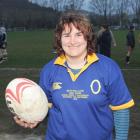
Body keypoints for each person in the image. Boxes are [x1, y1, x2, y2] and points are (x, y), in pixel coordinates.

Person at [14, 11, 134, 140]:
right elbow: (44, 108)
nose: (72, 41)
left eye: (78, 34)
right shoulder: (49, 70)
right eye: (66, 35)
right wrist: (33, 119)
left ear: (87, 37)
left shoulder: (108, 68)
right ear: (59, 38)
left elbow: (121, 109)